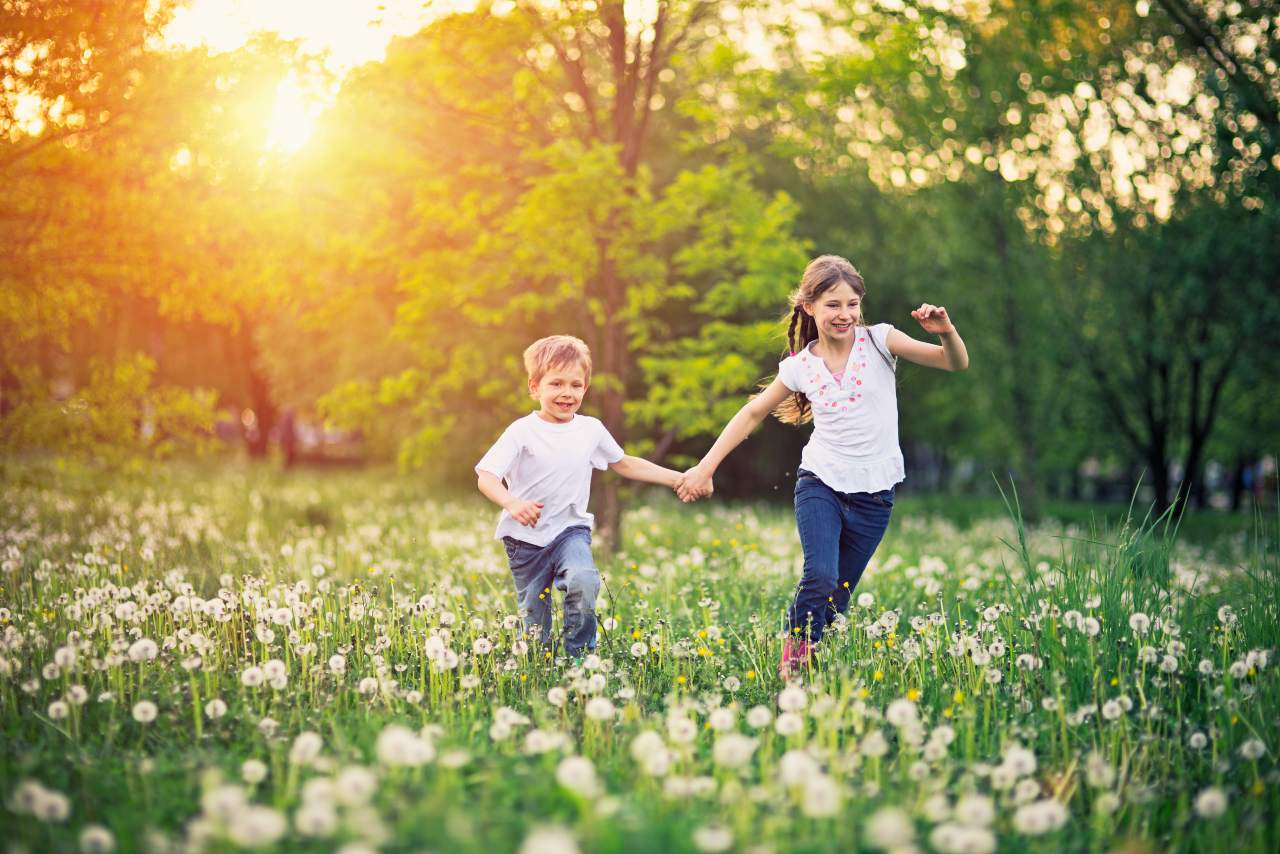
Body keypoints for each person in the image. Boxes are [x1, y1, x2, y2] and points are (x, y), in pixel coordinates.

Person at [675, 255, 969, 678]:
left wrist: (947, 333)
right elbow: (753, 413)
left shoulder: (881, 341)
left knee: (838, 596)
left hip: (875, 493)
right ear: (809, 306)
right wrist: (705, 468)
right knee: (820, 574)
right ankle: (791, 669)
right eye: (833, 304)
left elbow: (954, 362)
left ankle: (809, 657)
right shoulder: (800, 367)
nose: (845, 314)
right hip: (821, 483)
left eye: (852, 304)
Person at [477, 334, 686, 658]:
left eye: (576, 385)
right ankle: (539, 666)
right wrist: (512, 503)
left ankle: (580, 658)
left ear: (585, 389)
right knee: (535, 627)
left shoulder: (591, 430)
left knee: (585, 580)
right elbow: (486, 476)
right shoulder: (522, 431)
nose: (567, 393)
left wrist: (679, 478)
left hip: (569, 531)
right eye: (556, 383)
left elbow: (625, 463)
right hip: (525, 540)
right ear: (535, 387)